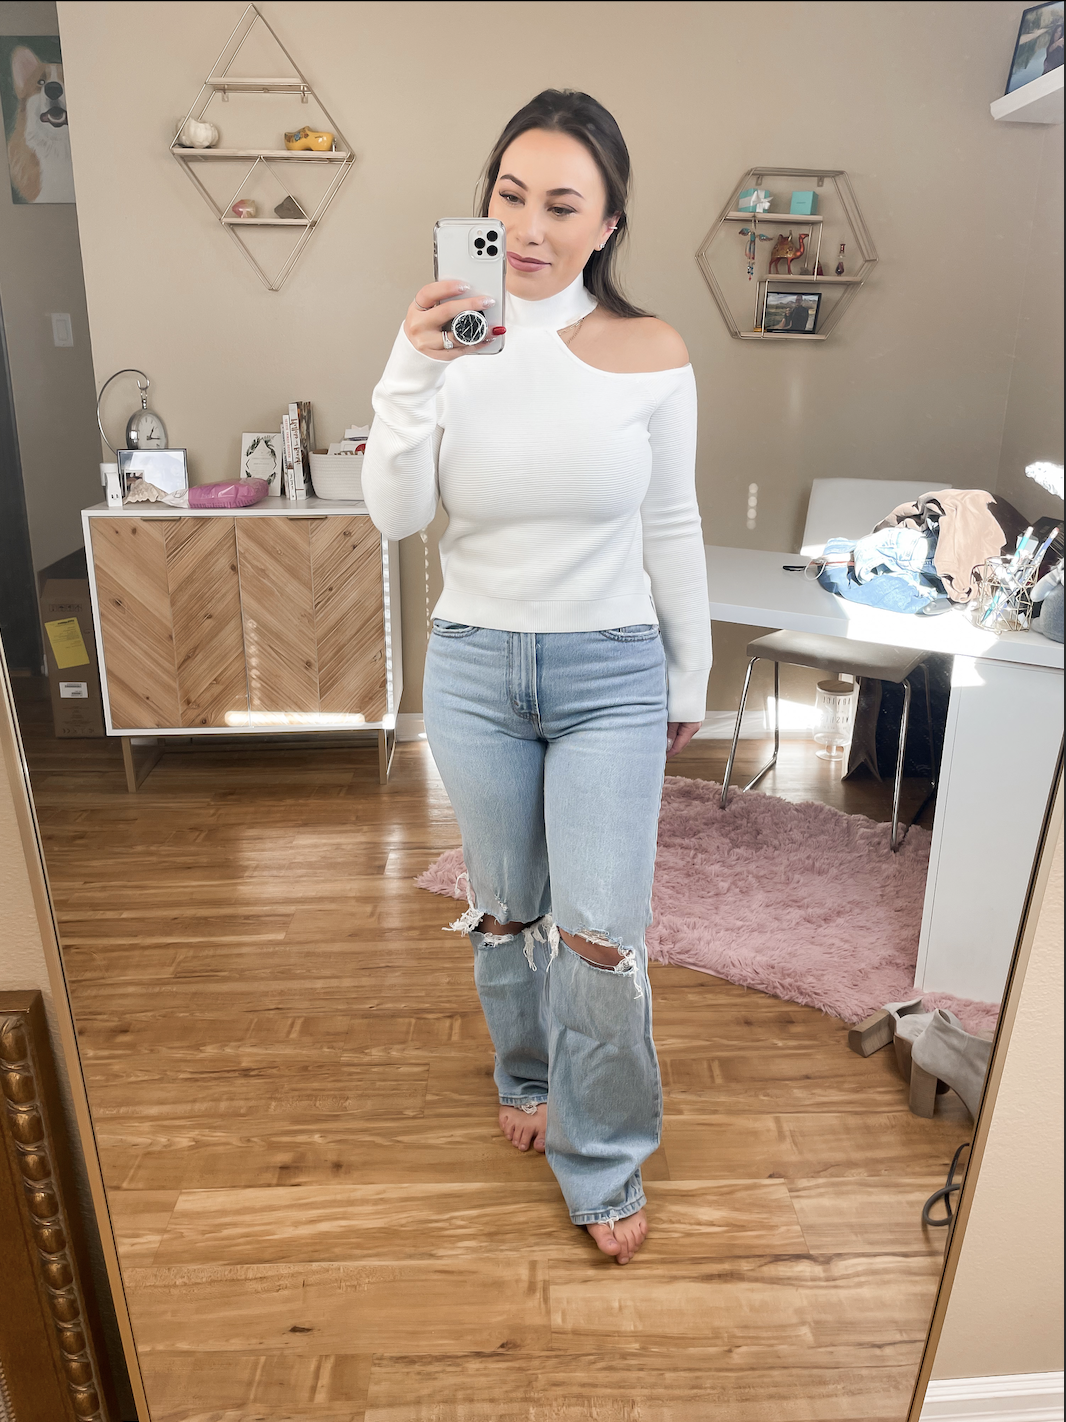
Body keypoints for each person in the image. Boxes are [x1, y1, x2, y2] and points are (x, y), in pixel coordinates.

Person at [362, 89, 711, 1266]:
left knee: (600, 932)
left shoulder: (653, 352)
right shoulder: (447, 343)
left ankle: (601, 1157)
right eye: (510, 195)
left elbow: (672, 522)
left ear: (606, 224)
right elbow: (396, 513)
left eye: (562, 204)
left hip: (612, 671)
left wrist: (690, 675)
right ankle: (525, 1073)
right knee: (507, 908)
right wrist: (409, 370)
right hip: (473, 669)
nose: (527, 225)